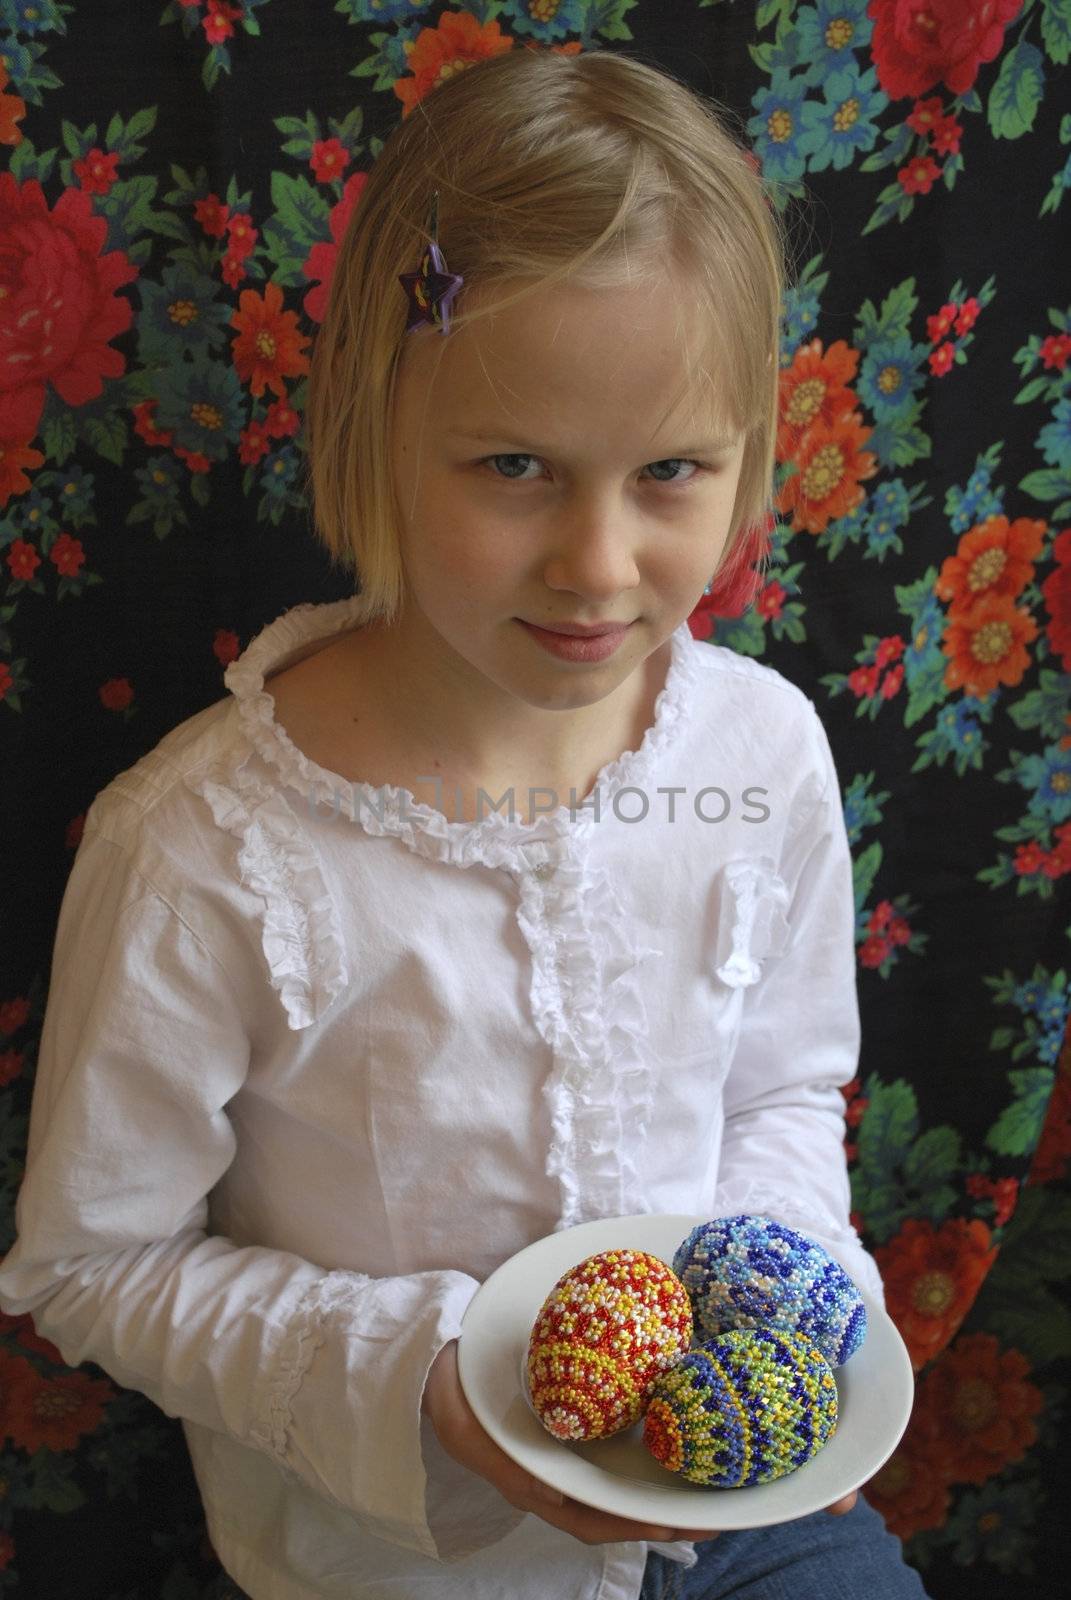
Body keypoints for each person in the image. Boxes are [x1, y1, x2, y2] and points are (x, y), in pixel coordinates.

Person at [0, 47, 929, 1600]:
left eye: (671, 474)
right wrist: (422, 1385)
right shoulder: (197, 852)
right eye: (514, 468)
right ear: (375, 421)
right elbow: (89, 1264)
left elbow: (785, 1087)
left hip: (754, 1509)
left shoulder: (763, 752)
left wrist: (773, 1305)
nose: (598, 562)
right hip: (404, 1558)